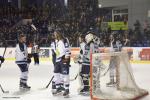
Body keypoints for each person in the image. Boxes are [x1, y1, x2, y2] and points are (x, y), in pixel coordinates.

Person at [52, 30, 70, 97]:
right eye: (54, 34)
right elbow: (57, 51)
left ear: (58, 33)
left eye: (55, 34)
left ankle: (67, 89)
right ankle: (58, 88)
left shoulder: (65, 40)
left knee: (65, 75)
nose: (54, 35)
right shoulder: (56, 41)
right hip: (58, 60)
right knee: (56, 74)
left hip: (63, 59)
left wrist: (66, 59)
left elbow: (68, 50)